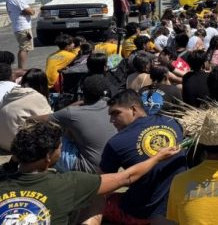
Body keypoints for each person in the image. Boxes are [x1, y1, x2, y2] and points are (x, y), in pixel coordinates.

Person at [0, 122, 180, 225]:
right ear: (48, 156)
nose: (60, 151)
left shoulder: (3, 178)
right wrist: (157, 157)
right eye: (59, 148)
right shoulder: (70, 183)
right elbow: (126, 177)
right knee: (96, 196)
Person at [100, 90, 187, 222]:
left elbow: (102, 184)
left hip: (144, 212)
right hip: (180, 201)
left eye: (116, 113)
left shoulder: (116, 142)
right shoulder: (173, 122)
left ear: (133, 110)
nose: (111, 120)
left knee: (104, 201)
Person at [0, 69, 52, 152]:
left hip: (3, 143)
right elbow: (51, 120)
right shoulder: (37, 97)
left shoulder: (10, 93)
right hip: (18, 147)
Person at [5, 0, 34, 69]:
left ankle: (20, 68)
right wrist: (32, 11)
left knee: (23, 48)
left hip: (18, 27)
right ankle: (22, 69)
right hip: (23, 27)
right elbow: (30, 12)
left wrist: (26, 11)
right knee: (25, 48)